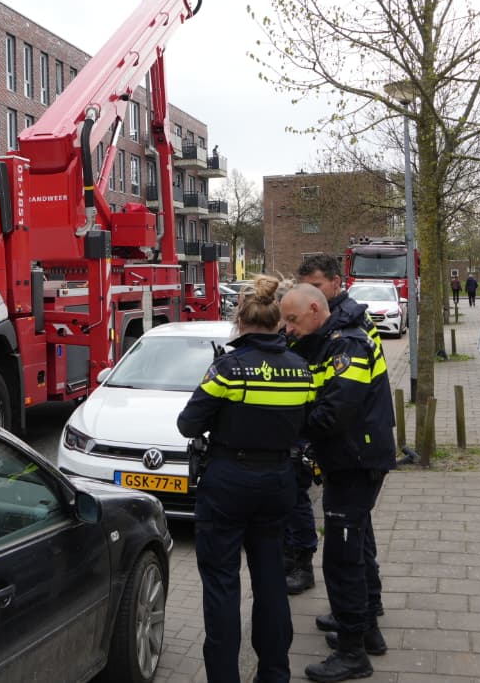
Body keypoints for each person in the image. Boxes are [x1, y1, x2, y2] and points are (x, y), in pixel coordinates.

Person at [177, 275, 315, 683]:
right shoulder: (301, 370)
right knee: (271, 579)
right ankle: (274, 674)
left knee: (222, 585)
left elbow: (188, 424)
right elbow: (305, 423)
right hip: (278, 484)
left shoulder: (228, 369)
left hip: (227, 484)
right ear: (278, 321)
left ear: (240, 319)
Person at [280, 283, 396, 682]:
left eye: (293, 320)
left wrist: (289, 426)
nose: (290, 328)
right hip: (353, 460)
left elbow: (334, 414)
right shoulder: (329, 342)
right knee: (357, 547)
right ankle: (366, 633)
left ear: (315, 309)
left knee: (341, 559)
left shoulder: (348, 347)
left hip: (354, 461)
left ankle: (352, 655)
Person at [284, 254, 384, 594]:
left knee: (346, 546)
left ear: (336, 283)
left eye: (316, 286)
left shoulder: (345, 330)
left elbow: (341, 400)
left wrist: (296, 427)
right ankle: (365, 609)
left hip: (356, 447)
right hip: (355, 444)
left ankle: (356, 623)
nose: (312, 295)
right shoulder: (335, 324)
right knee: (358, 534)